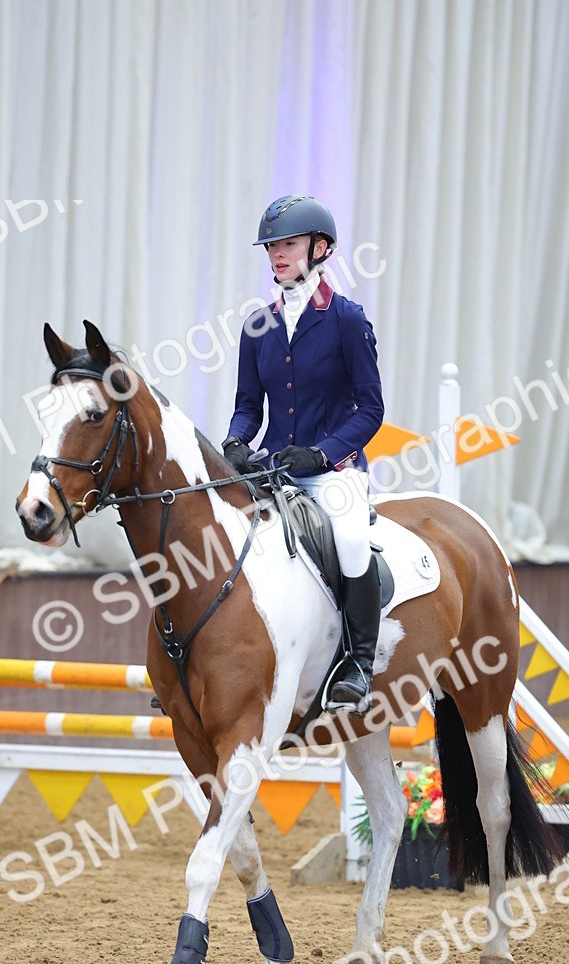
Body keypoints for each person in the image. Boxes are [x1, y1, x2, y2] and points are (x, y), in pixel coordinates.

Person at [222, 194, 384, 713]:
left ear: (321, 248)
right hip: (273, 468)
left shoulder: (347, 320)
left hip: (330, 472)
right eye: (271, 246)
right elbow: (249, 406)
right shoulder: (257, 325)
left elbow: (370, 409)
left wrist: (322, 453)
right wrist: (235, 442)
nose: (276, 254)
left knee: (353, 536)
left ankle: (358, 662)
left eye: (287, 244)